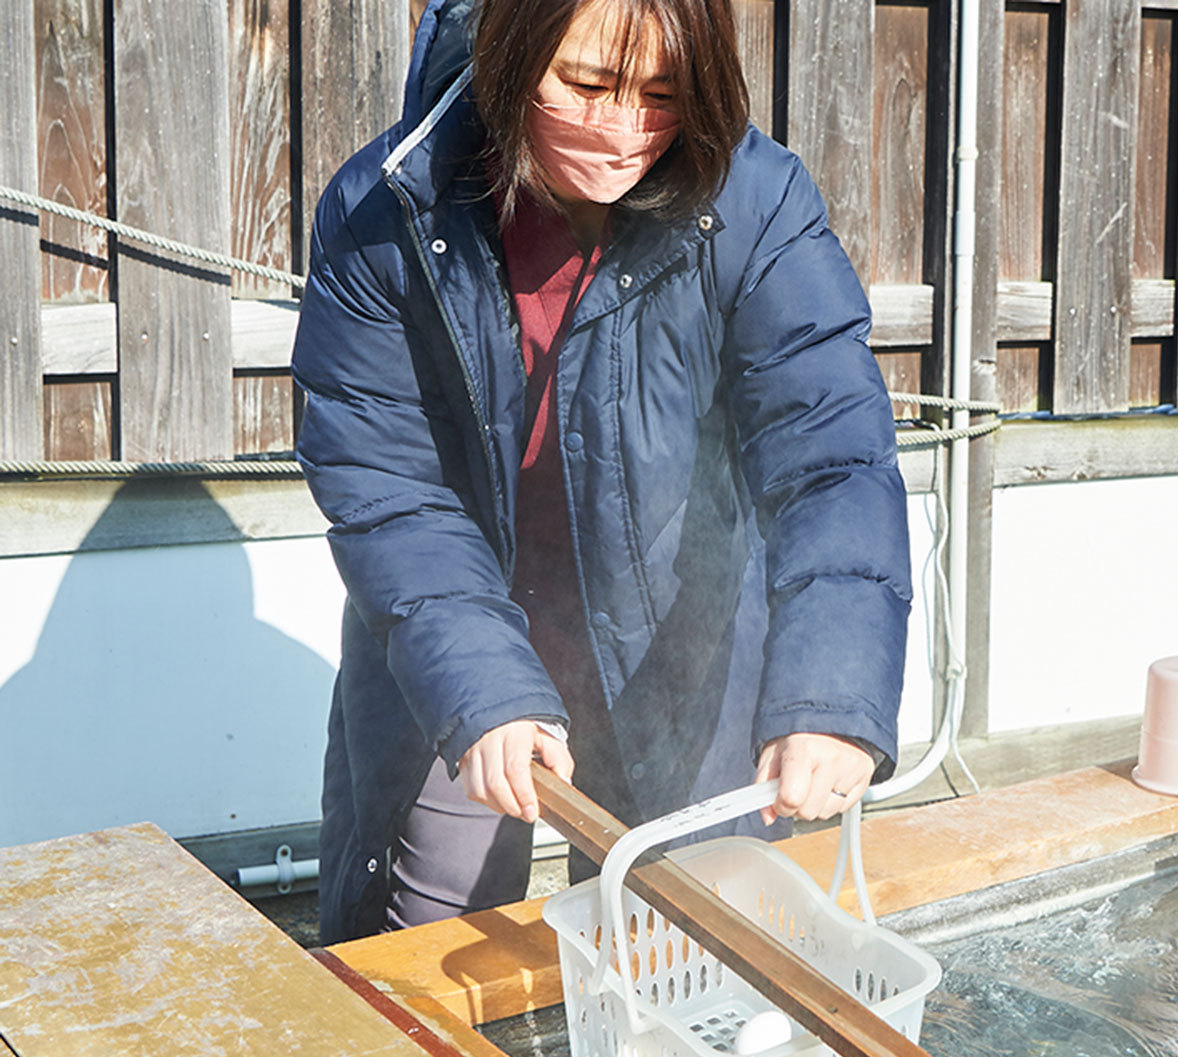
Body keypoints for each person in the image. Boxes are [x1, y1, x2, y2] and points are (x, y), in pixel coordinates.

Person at [292, 0, 911, 943]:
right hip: (450, 624)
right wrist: (485, 692)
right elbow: (391, 491)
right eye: (584, 85)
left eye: (661, 95)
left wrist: (829, 691)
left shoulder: (756, 202)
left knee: (685, 954)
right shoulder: (389, 211)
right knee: (424, 946)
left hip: (676, 636)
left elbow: (831, 455)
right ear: (509, 53)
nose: (623, 134)